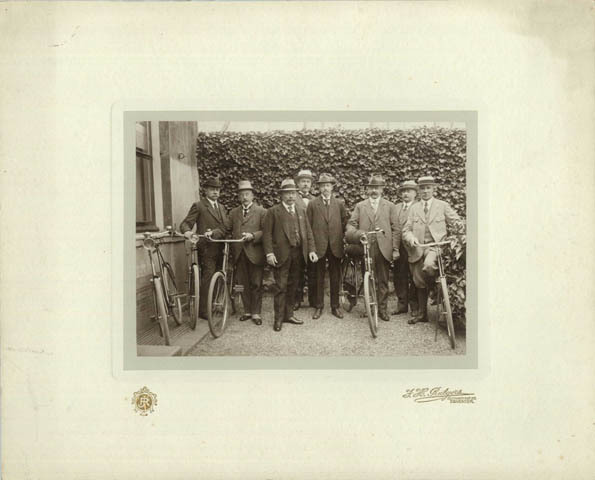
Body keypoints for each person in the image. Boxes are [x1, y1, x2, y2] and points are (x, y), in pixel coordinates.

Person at [402, 176, 464, 324]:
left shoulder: (442, 205)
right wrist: (411, 238)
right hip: (418, 248)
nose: (425, 191)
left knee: (429, 266)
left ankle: (435, 290)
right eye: (422, 188)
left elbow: (457, 223)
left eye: (428, 188)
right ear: (419, 190)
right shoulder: (414, 208)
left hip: (436, 247)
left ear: (433, 189)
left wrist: (456, 238)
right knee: (418, 281)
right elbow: (406, 230)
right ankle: (422, 314)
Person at [262, 179, 318, 332]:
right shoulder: (273, 212)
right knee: (281, 287)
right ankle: (278, 319)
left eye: (293, 193)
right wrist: (269, 253)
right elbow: (267, 235)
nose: (291, 196)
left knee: (294, 285)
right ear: (282, 195)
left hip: (298, 254)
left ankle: (289, 315)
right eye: (287, 193)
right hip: (281, 255)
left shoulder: (301, 210)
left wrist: (311, 250)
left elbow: (308, 232)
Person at [345, 175, 400, 322]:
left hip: (384, 248)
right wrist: (359, 234)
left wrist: (395, 248)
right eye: (371, 188)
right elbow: (351, 224)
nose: (374, 191)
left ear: (382, 190)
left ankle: (382, 309)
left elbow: (396, 229)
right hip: (366, 247)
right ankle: (369, 308)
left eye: (377, 188)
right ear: (367, 190)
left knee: (383, 280)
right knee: (367, 277)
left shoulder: (390, 206)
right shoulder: (360, 206)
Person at [180, 176, 231, 319]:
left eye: (217, 189)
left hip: (221, 247)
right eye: (212, 189)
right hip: (207, 248)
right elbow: (185, 224)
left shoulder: (222, 207)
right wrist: (188, 232)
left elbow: (226, 227)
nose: (215, 192)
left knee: (219, 275)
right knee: (208, 276)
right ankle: (203, 310)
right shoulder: (199, 206)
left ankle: (213, 304)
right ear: (206, 190)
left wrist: (214, 232)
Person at [306, 173, 349, 319]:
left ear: (332, 187)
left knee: (335, 277)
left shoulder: (339, 204)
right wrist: (312, 248)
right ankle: (318, 306)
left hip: (335, 245)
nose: (325, 188)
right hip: (319, 246)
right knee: (318, 277)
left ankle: (335, 307)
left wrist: (341, 240)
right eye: (323, 185)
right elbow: (308, 227)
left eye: (328, 185)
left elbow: (344, 223)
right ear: (319, 188)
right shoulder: (313, 204)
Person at [228, 180, 267, 326]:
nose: (244, 197)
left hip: (255, 253)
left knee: (256, 283)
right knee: (242, 283)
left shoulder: (262, 212)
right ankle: (247, 311)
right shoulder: (233, 213)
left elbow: (266, 231)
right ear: (239, 197)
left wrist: (253, 236)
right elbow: (225, 228)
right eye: (242, 194)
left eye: (247, 194)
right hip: (239, 253)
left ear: (252, 196)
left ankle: (256, 312)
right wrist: (212, 233)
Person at [391, 180, 420, 317]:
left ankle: (415, 306)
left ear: (415, 193)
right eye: (403, 191)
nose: (405, 194)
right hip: (399, 246)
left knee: (415, 276)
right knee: (399, 275)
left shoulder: (419, 207)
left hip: (414, 246)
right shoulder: (395, 208)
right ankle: (402, 305)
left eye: (409, 191)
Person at [294, 168, 317, 310]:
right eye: (303, 181)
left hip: (313, 240)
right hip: (299, 240)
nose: (305, 184)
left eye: (308, 182)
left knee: (314, 270)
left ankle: (313, 299)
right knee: (297, 270)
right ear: (298, 183)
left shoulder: (315, 200)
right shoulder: (293, 199)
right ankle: (297, 299)